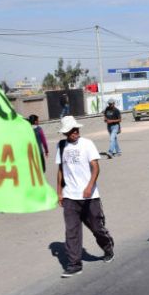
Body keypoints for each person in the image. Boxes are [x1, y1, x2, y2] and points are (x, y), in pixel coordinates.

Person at [55, 116, 115, 278]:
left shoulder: (87, 144)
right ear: (65, 132)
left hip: (90, 196)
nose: (75, 132)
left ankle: (108, 247)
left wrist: (89, 186)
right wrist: (59, 192)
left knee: (97, 228)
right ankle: (74, 264)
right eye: (71, 130)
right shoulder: (61, 146)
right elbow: (61, 170)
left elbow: (95, 167)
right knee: (71, 232)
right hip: (70, 197)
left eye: (76, 129)